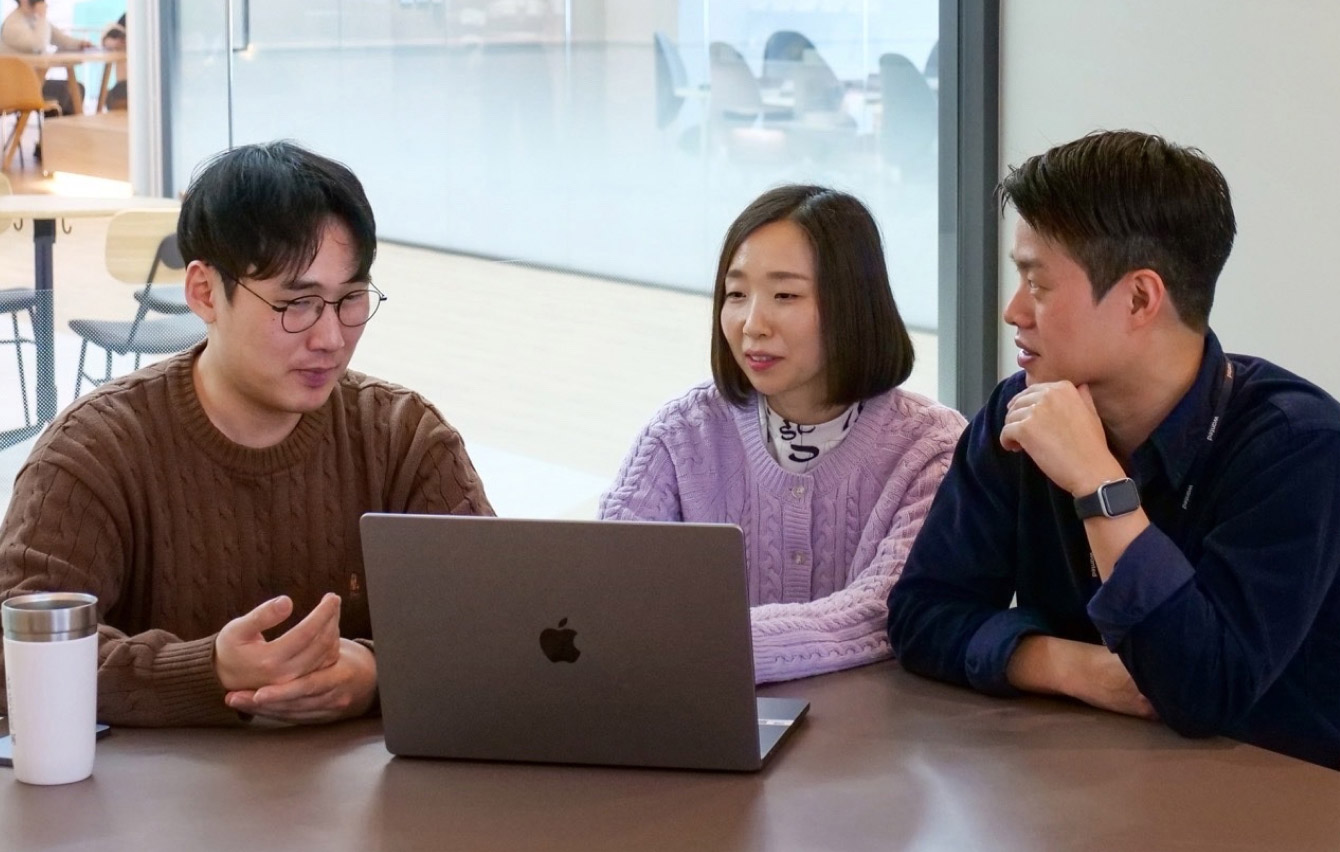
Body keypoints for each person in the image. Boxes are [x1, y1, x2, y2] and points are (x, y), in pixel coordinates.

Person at [887, 130, 1340, 768]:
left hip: (1274, 791)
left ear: (1138, 298)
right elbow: (920, 614)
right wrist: (1076, 668)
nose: (1013, 311)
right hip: (1084, 774)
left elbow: (1206, 691)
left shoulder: (1299, 447)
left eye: (1037, 283)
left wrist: (1098, 485)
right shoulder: (1023, 408)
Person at [0, 141, 493, 727]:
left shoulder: (404, 439)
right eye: (297, 304)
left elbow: (497, 629)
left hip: (366, 783)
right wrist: (206, 671)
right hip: (149, 787)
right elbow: (13, 657)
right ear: (204, 292)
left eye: (351, 299)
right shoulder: (95, 450)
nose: (331, 338)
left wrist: (376, 672)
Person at [600, 185, 965, 683]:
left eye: (785, 295)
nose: (752, 324)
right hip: (705, 711)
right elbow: (607, 584)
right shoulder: (681, 433)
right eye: (736, 294)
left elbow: (885, 609)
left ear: (853, 305)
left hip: (873, 724)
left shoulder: (932, 448)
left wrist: (701, 643)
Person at [0, 0, 92, 117]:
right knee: (64, 91)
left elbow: (60, 39)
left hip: (32, 82)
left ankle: (64, 129)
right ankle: (50, 128)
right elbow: (39, 44)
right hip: (13, 87)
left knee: (77, 88)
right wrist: (41, 16)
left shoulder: (34, 19)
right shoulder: (13, 25)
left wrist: (80, 44)